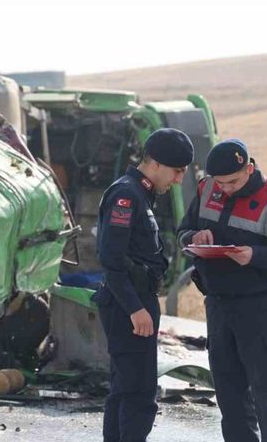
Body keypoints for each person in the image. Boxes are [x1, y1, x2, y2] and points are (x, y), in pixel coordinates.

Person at [177, 139, 267, 442]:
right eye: (220, 183)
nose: (225, 188)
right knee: (229, 398)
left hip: (260, 308)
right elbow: (182, 233)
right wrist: (194, 237)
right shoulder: (205, 190)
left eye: (233, 181)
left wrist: (255, 256)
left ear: (249, 168)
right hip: (217, 305)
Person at [94, 127, 193, 442]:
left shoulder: (141, 194)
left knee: (125, 390)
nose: (178, 180)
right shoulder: (126, 195)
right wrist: (135, 308)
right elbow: (111, 259)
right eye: (176, 172)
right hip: (128, 306)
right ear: (156, 164)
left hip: (134, 302)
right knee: (139, 394)